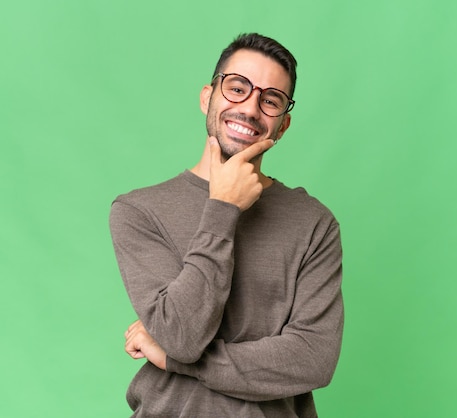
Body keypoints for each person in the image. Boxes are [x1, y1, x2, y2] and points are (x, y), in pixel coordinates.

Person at [109, 33, 344, 417]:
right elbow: (182, 336)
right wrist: (222, 207)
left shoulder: (313, 223)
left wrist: (176, 362)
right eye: (237, 88)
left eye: (270, 100)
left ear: (282, 125)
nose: (250, 109)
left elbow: (313, 358)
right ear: (207, 97)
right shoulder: (139, 211)